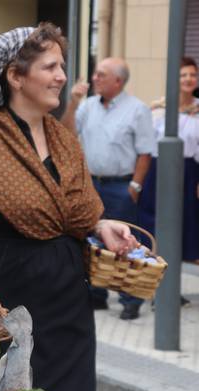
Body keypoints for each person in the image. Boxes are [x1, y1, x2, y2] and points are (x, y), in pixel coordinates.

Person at [0, 23, 137, 391]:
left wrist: (100, 224)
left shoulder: (62, 139)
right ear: (14, 76)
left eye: (61, 66)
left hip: (66, 300)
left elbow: (73, 211)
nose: (62, 76)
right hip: (2, 304)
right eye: (50, 67)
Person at [61, 57, 154, 320]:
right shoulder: (88, 106)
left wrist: (134, 187)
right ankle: (97, 295)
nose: (94, 78)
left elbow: (146, 152)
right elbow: (66, 134)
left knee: (126, 243)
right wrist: (73, 102)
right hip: (91, 183)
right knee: (93, 241)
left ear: (118, 81)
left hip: (121, 185)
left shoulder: (137, 109)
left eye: (100, 74)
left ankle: (130, 299)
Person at [139, 57, 199, 267]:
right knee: (155, 225)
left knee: (185, 227)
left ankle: (174, 288)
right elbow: (145, 144)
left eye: (193, 75)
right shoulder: (158, 109)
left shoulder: (198, 111)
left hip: (189, 172)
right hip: (158, 171)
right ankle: (157, 286)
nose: (188, 79)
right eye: (183, 75)